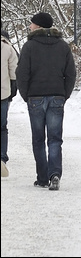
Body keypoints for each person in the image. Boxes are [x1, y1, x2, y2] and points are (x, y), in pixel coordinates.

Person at [16, 12, 76, 191]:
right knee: (55, 138)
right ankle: (54, 174)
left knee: (38, 139)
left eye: (32, 24)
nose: (29, 26)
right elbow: (71, 73)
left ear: (39, 26)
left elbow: (22, 74)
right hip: (57, 96)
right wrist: (64, 94)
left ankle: (42, 177)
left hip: (35, 97)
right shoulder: (63, 46)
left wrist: (25, 94)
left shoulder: (29, 47)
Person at [1, 24, 19, 177]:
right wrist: (13, 89)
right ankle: (1, 158)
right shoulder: (7, 47)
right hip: (2, 93)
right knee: (2, 127)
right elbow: (14, 70)